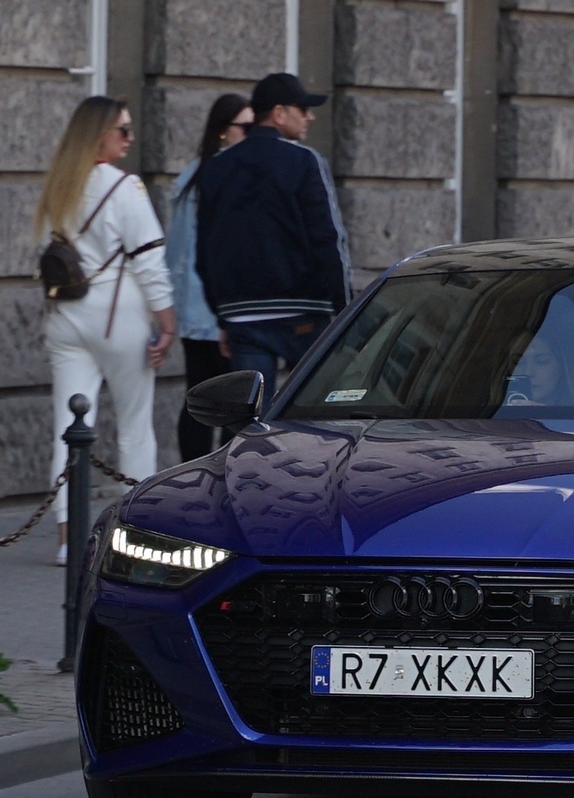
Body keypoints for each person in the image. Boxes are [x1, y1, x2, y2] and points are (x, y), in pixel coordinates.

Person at [37, 96, 175, 563]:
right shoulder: (125, 188)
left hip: (66, 317)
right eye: (123, 131)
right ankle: (133, 540)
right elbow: (151, 261)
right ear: (100, 136)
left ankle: (66, 539)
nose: (130, 139)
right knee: (135, 428)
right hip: (121, 317)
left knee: (69, 426)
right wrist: (168, 323)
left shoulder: (59, 186)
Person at [193, 73, 351, 400]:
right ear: (279, 113)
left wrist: (222, 312)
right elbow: (328, 239)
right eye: (303, 109)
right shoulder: (304, 161)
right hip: (303, 311)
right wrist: (346, 307)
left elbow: (205, 249)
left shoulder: (217, 168)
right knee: (317, 416)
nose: (310, 116)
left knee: (251, 420)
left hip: (243, 316)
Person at [164, 92, 255, 460]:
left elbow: (176, 254)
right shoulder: (228, 178)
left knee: (199, 401)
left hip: (195, 313)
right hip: (219, 312)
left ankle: (192, 480)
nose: (252, 134)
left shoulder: (193, 176)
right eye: (244, 127)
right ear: (223, 131)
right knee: (236, 405)